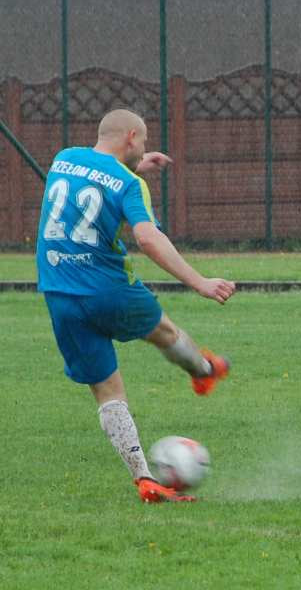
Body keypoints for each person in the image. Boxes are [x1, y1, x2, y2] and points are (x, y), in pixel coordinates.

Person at [36, 109, 236, 503]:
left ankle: (145, 478)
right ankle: (204, 371)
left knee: (107, 391)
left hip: (58, 292)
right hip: (108, 287)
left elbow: (94, 177)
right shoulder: (130, 184)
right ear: (131, 136)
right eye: (142, 142)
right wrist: (199, 282)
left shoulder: (63, 158)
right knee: (163, 332)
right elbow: (147, 238)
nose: (144, 148)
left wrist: (139, 164)